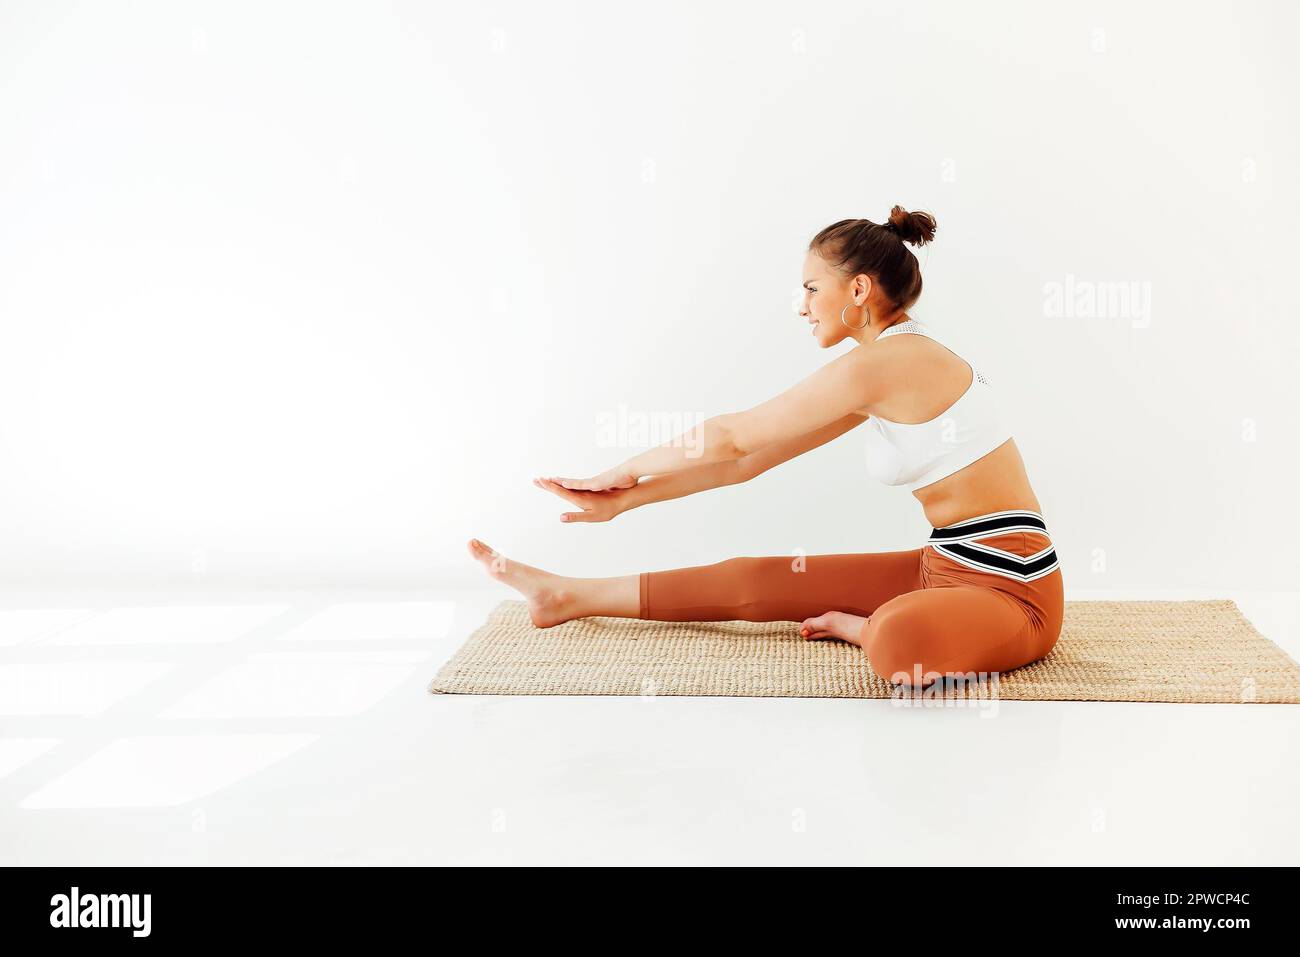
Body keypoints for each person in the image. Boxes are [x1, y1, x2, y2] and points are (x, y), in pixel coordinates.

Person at [468, 206, 1062, 688]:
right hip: (943, 567)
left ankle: (866, 628)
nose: (801, 306)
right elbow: (746, 462)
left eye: (810, 288)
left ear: (858, 289)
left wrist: (622, 470)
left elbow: (733, 435)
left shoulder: (890, 363)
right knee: (750, 577)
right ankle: (566, 595)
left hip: (1014, 592)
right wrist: (629, 500)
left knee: (897, 643)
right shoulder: (882, 367)